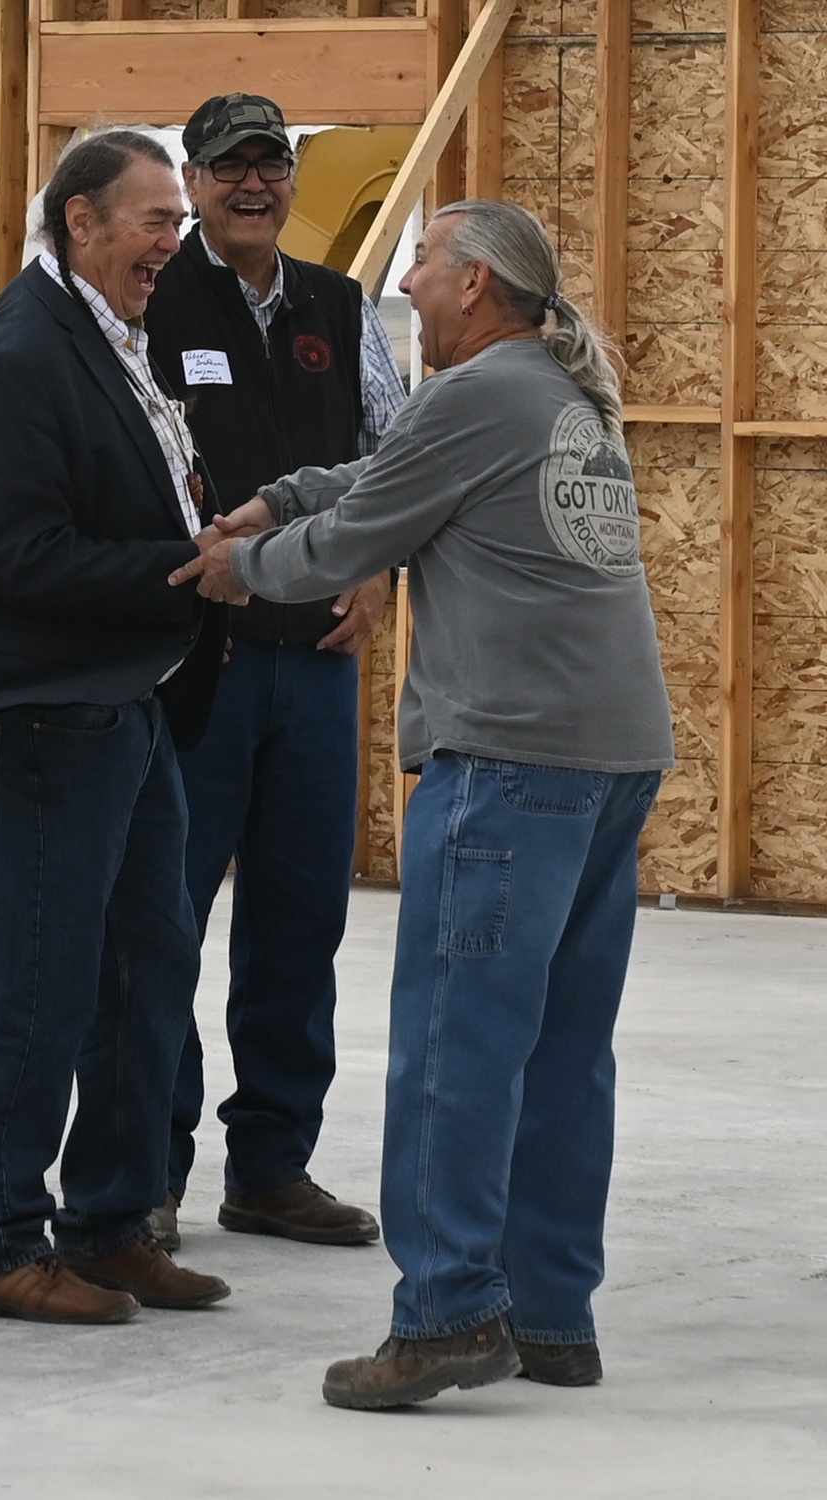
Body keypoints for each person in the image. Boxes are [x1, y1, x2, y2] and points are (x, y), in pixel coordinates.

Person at [171, 199, 675, 1407]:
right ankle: (552, 1315)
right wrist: (286, 492)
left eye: (423, 266)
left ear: (480, 285)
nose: (404, 283)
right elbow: (377, 473)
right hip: (609, 756)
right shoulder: (550, 396)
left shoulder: (476, 394)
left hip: (507, 762)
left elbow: (365, 533)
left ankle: (448, 1310)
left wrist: (243, 567)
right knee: (561, 1052)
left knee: (457, 1048)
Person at [0, 132, 233, 1324]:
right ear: (78, 223)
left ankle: (113, 1224)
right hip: (37, 716)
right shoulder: (28, 352)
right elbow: (21, 561)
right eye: (152, 220)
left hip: (117, 700)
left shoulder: (111, 338)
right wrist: (188, 566)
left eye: (175, 222)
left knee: (148, 969)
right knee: (44, 982)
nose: (171, 242)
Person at [142, 94, 406, 1248]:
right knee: (163, 920)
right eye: (228, 166)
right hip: (191, 665)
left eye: (270, 165)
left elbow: (393, 459)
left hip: (315, 663)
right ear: (192, 183)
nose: (253, 184)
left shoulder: (340, 307)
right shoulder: (151, 296)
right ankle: (144, 1171)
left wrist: (378, 572)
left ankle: (272, 1168)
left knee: (300, 923)